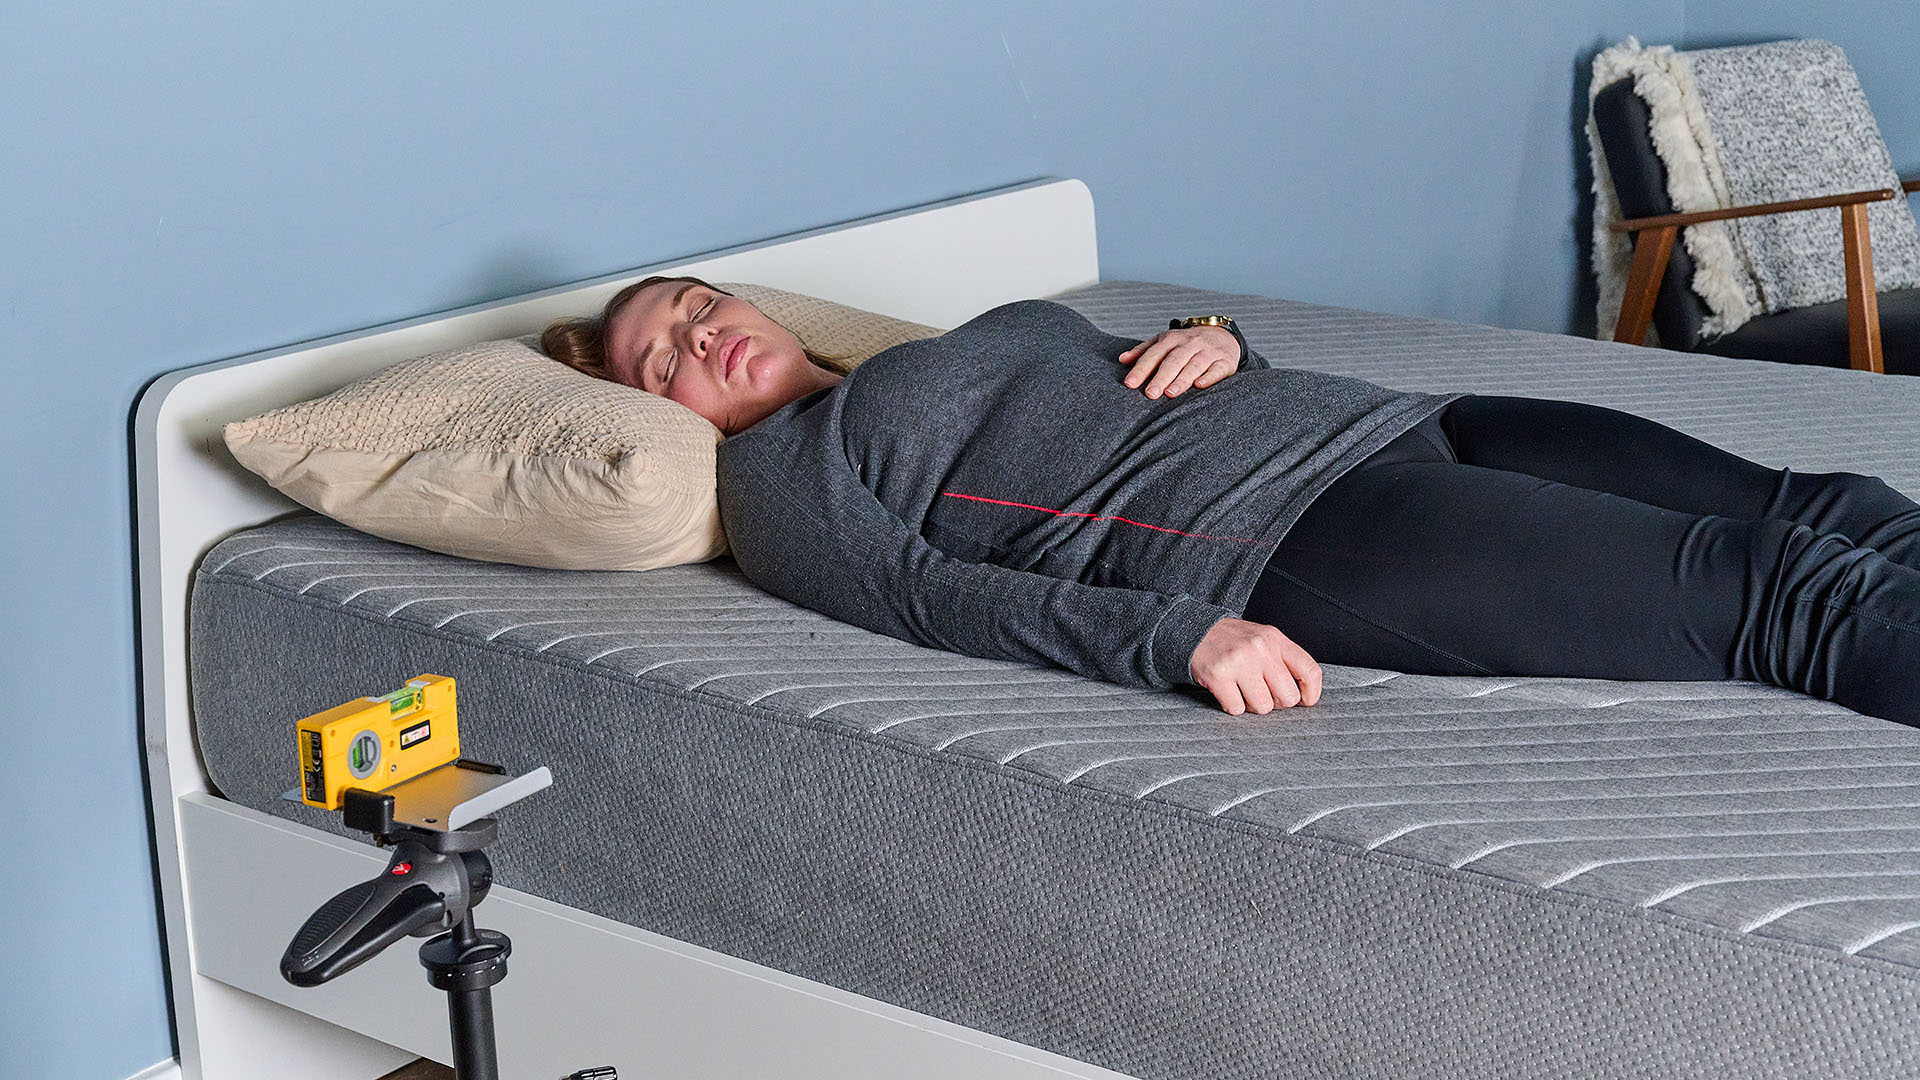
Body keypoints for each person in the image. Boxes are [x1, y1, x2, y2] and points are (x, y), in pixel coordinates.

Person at [544, 275, 1920, 726]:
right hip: (1305, 537)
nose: (698, 338)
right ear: (651, 409)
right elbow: (929, 599)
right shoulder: (779, 475)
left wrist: (1218, 338)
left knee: (1838, 505)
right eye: (659, 359)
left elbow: (1125, 367)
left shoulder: (917, 348)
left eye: (697, 305)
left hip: (1398, 421)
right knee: (1782, 596)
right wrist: (1174, 640)